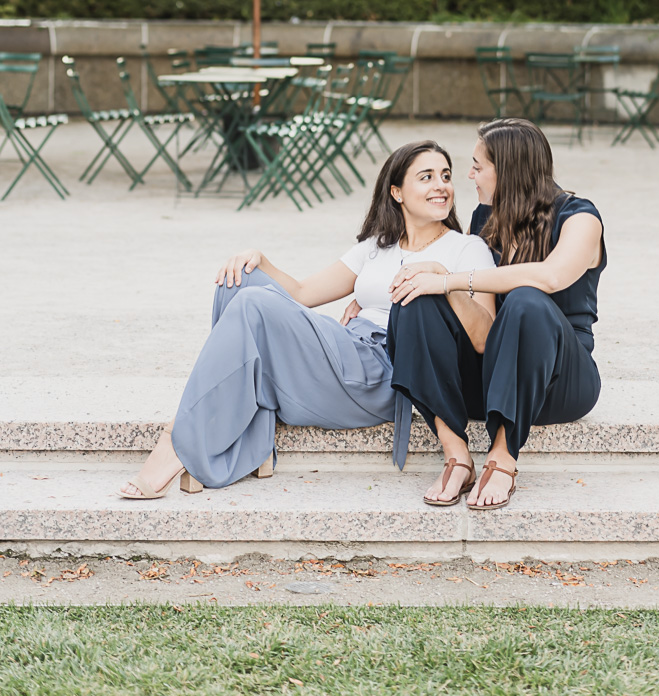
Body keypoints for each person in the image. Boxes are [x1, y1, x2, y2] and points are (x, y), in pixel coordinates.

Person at [117, 140, 494, 499]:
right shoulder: (376, 247)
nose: (441, 186)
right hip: (350, 348)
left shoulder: (466, 248)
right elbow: (301, 294)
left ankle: (177, 441)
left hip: (385, 370)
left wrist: (445, 283)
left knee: (253, 305)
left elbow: (485, 337)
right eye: (426, 177)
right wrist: (260, 260)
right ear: (396, 192)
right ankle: (249, 435)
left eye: (445, 175)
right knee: (240, 282)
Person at [387, 118, 605, 510]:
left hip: (561, 382)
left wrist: (453, 279)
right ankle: (457, 455)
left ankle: (503, 457)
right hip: (495, 376)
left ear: (507, 169)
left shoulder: (580, 218)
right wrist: (435, 281)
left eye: (477, 166)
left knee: (526, 299)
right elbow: (479, 323)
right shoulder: (485, 217)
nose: (468, 175)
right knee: (418, 294)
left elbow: (552, 276)